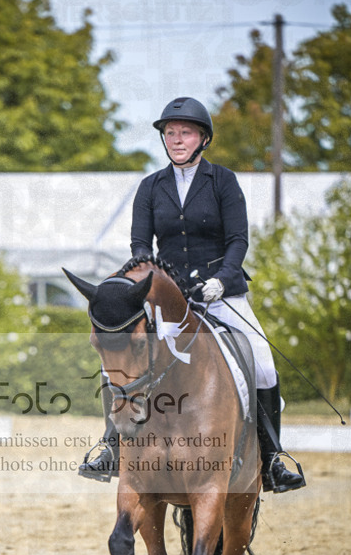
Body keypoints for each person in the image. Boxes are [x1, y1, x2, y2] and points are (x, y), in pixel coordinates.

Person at [80, 95, 306, 494]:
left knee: (265, 364)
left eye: (185, 132)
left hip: (221, 294)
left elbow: (238, 240)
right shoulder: (151, 187)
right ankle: (111, 447)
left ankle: (272, 458)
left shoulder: (223, 181)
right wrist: (145, 283)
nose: (177, 139)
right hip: (168, 302)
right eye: (170, 133)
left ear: (203, 138)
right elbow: (139, 246)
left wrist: (222, 278)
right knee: (117, 364)